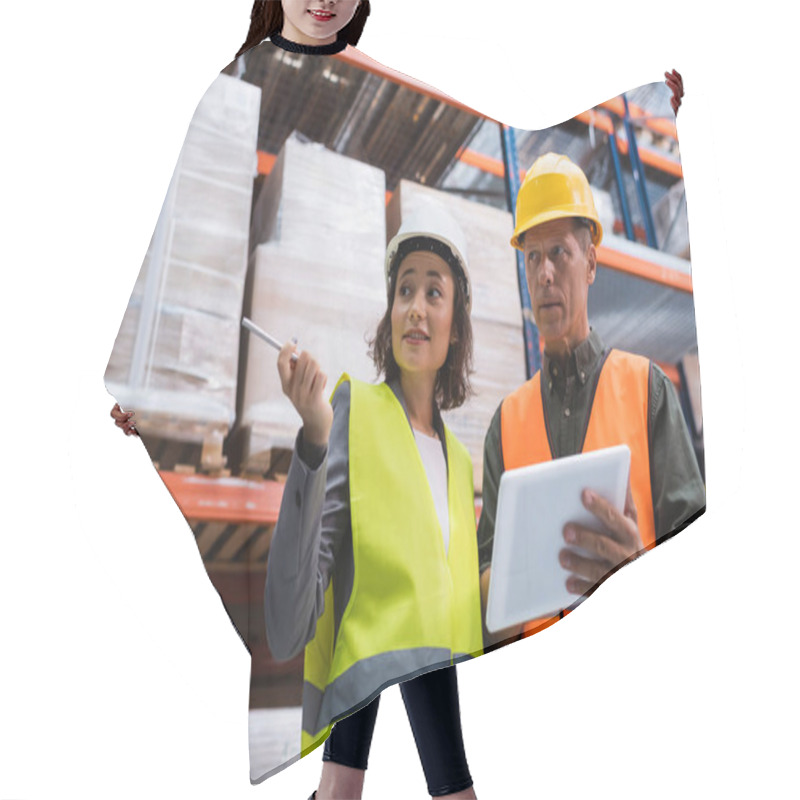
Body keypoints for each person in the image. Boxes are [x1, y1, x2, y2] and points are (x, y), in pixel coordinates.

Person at [265, 206, 482, 800]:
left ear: (455, 324)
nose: (414, 305)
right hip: (358, 707)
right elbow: (291, 621)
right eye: (404, 288)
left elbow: (445, 615)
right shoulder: (353, 411)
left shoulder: (461, 465)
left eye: (433, 291)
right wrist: (314, 437)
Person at [477, 152, 706, 644]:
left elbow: (700, 572)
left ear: (592, 264)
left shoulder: (647, 389)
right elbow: (484, 610)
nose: (543, 274)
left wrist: (639, 569)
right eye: (532, 257)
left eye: (558, 252)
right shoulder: (506, 422)